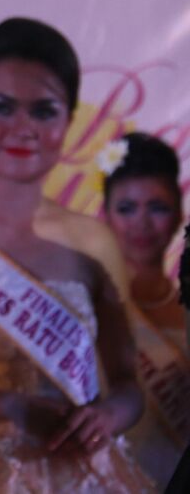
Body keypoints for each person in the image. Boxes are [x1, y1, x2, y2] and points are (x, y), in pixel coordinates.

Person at [0, 18, 153, 492]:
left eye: (44, 111)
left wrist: (108, 415)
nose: (23, 128)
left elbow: (128, 385)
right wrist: (8, 407)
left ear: (68, 121)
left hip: (80, 474)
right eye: (2, 107)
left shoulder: (93, 243)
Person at [99, 132, 190, 487]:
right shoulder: (85, 303)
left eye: (157, 207)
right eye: (126, 208)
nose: (141, 223)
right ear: (105, 214)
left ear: (179, 214)